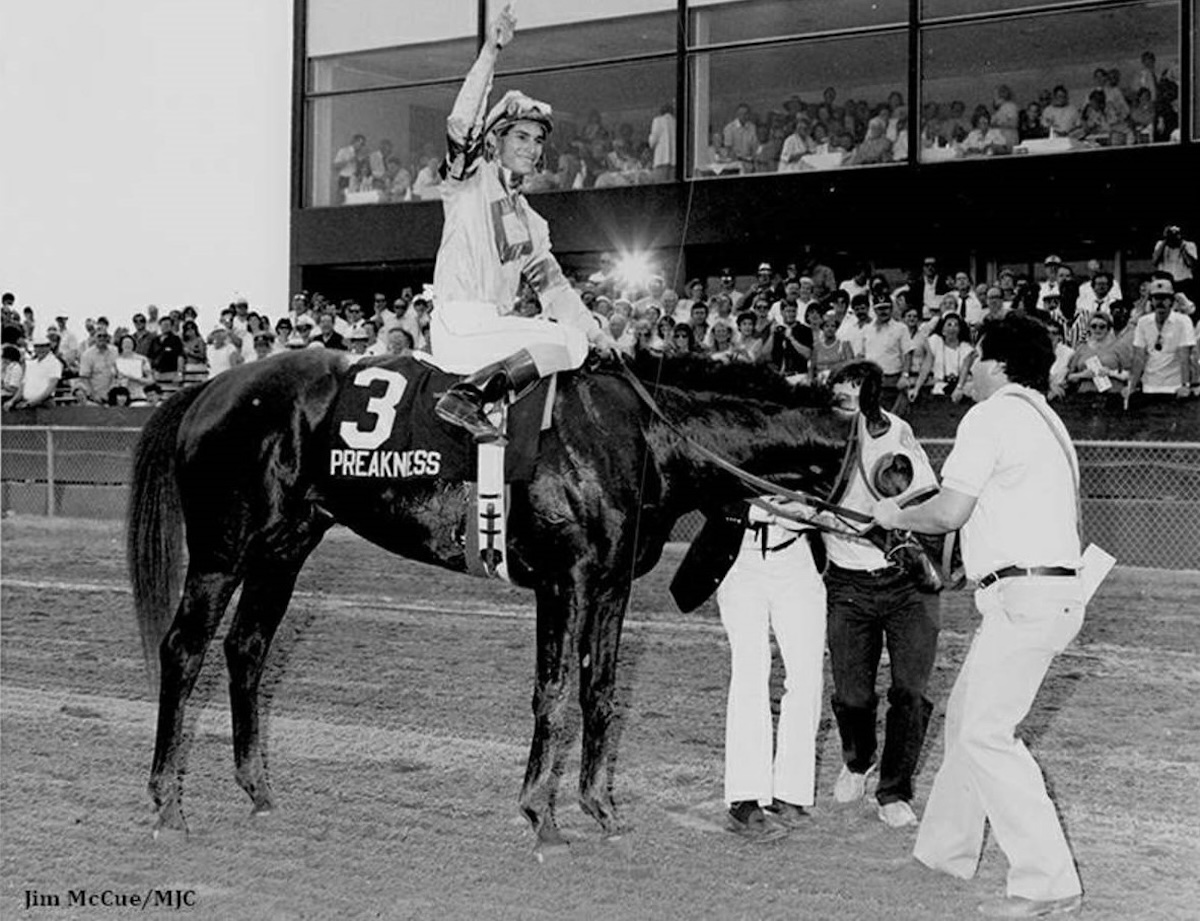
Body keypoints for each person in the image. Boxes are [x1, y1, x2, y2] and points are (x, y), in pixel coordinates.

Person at [873, 312, 1086, 919]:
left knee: (987, 734)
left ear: (995, 363)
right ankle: (943, 850)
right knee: (969, 716)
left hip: (1026, 597)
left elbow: (950, 511)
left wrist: (894, 516)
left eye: (975, 358)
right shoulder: (1046, 421)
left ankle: (1049, 884)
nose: (966, 369)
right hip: (1041, 593)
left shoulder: (990, 415)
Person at [428, 4, 614, 443]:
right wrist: (491, 52)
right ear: (495, 142)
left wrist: (600, 334)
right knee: (566, 344)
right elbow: (462, 122)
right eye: (521, 137)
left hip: (493, 330)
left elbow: (556, 291)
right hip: (459, 323)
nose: (531, 149)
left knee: (573, 339)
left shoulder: (533, 223)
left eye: (537, 141)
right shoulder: (469, 182)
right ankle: (464, 398)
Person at [822, 360, 941, 830]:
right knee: (852, 695)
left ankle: (894, 790)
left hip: (904, 584)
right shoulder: (818, 439)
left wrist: (892, 513)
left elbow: (922, 497)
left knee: (909, 693)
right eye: (836, 399)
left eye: (849, 400)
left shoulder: (892, 436)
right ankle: (858, 761)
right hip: (847, 585)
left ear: (870, 401)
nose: (840, 409)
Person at [715, 498, 827, 841]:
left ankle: (790, 793)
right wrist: (750, 511)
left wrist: (812, 510)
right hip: (740, 558)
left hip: (796, 558)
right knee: (750, 672)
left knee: (807, 675)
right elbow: (707, 488)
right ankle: (745, 799)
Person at [1124, 277, 1196, 405]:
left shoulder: (1183, 321)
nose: (1160, 302)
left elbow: (1184, 356)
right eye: (1156, 298)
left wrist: (1185, 385)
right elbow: (1139, 357)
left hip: (1174, 387)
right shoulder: (1143, 322)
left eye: (1165, 298)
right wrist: (1132, 386)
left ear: (1172, 301)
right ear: (1151, 300)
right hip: (1149, 386)